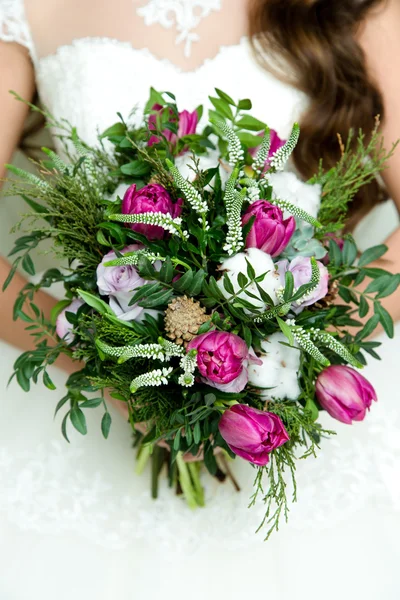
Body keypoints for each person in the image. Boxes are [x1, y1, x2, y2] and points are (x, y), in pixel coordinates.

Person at [0, 1, 399, 599]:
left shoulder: (355, 8)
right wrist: (107, 364)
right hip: (89, 418)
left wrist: (300, 351)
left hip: (302, 431)